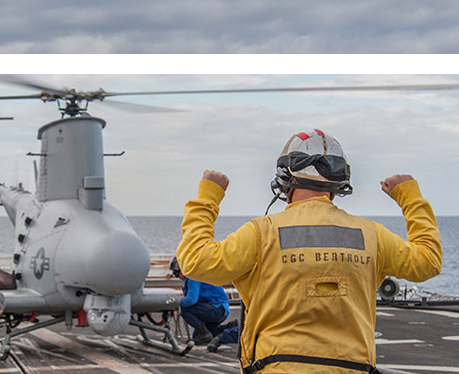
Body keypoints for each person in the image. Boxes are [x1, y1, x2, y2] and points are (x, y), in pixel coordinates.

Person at [177, 128, 442, 374]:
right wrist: (410, 197)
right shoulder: (371, 234)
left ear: (285, 178)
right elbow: (428, 261)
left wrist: (209, 195)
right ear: (338, 183)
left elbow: (196, 261)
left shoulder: (262, 232)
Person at [170, 256, 230, 344]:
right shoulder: (196, 274)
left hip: (217, 309)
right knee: (198, 337)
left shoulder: (194, 277)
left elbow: (191, 300)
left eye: (176, 273)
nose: (177, 276)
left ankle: (204, 334)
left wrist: (175, 302)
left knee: (186, 310)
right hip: (218, 309)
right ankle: (228, 328)